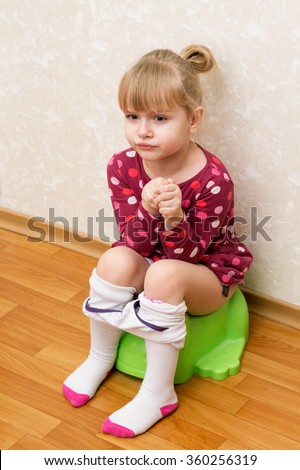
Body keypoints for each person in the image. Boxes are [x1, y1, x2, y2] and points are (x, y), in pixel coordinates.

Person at [62, 44, 253, 438]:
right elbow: (131, 243)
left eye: (160, 118)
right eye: (132, 116)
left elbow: (189, 253)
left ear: (193, 119)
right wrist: (148, 212)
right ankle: (100, 356)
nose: (143, 130)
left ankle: (158, 392)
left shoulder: (214, 180)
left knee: (165, 274)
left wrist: (173, 215)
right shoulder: (122, 165)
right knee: (113, 262)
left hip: (206, 273)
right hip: (153, 259)